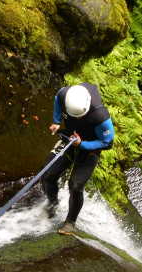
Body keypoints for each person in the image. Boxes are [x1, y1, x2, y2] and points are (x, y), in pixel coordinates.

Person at [42, 82, 115, 235]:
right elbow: (57, 99)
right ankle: (52, 203)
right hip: (70, 136)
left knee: (75, 185)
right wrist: (56, 121)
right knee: (48, 174)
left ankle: (70, 222)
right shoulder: (64, 94)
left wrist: (83, 144)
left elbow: (107, 143)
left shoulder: (100, 116)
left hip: (91, 145)